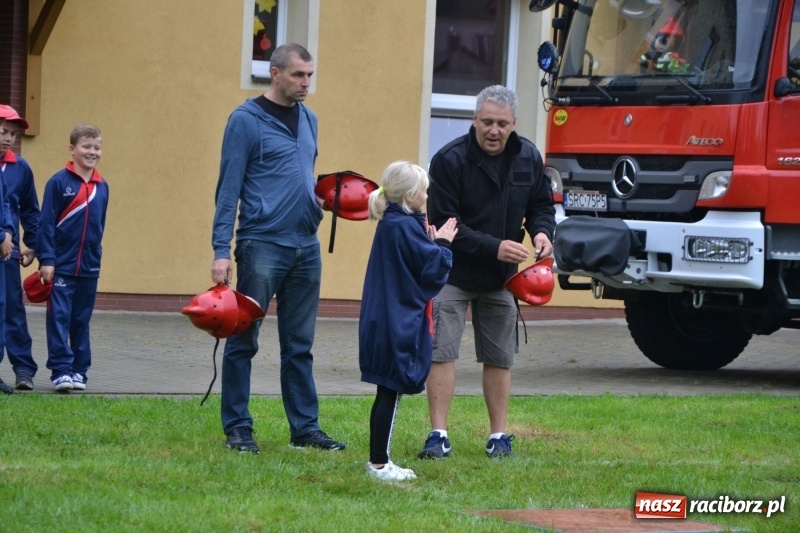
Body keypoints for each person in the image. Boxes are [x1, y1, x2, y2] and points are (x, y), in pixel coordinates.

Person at [211, 43, 344, 453]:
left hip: (306, 245)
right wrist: (221, 249)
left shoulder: (309, 119)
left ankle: (305, 429)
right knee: (243, 341)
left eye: (310, 75)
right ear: (275, 73)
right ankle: (238, 428)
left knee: (300, 345)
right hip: (261, 244)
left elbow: (301, 175)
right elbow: (228, 188)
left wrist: (321, 199)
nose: (306, 83)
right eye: (298, 75)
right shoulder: (245, 120)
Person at [419, 85, 556, 459]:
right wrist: (493, 246)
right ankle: (438, 435)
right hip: (452, 271)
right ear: (474, 120)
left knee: (500, 356)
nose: (494, 131)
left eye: (502, 124)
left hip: (502, 278)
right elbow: (443, 222)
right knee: (441, 351)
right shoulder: (449, 160)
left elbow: (542, 206)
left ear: (514, 124)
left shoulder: (528, 156)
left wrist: (543, 232)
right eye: (487, 122)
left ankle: (498, 436)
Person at [359, 161, 457, 481]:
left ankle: (379, 460)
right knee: (390, 389)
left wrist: (429, 241)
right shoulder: (401, 226)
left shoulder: (396, 223)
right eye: (424, 191)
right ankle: (379, 464)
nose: (427, 197)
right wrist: (442, 244)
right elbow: (431, 270)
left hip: (385, 316)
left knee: (388, 389)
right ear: (410, 195)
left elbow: (416, 260)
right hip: (393, 320)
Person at [37, 123, 109, 393]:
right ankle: (61, 371)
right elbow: (46, 224)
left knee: (80, 320)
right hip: (61, 267)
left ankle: (79, 371)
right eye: (86, 146)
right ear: (72, 149)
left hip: (89, 267)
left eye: (97, 147)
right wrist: (47, 259)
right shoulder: (58, 182)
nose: (92, 152)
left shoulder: (102, 186)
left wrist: (96, 257)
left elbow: (99, 226)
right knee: (59, 319)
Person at [0, 105, 40, 392]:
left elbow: (30, 210)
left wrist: (34, 245)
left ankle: (23, 369)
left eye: (13, 134)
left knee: (13, 310)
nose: (8, 138)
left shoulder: (20, 167)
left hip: (8, 254)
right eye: (3, 131)